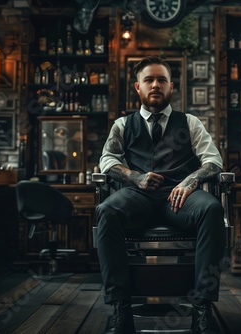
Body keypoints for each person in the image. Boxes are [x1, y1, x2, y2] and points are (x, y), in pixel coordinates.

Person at [96, 55, 225, 334]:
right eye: (149, 80)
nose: (156, 84)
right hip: (136, 197)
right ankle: (121, 308)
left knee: (212, 209)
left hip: (179, 197)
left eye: (162, 80)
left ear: (172, 87)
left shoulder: (189, 122)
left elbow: (213, 161)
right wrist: (135, 177)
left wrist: (190, 182)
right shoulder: (122, 125)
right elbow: (107, 161)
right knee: (107, 210)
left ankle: (201, 308)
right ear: (138, 87)